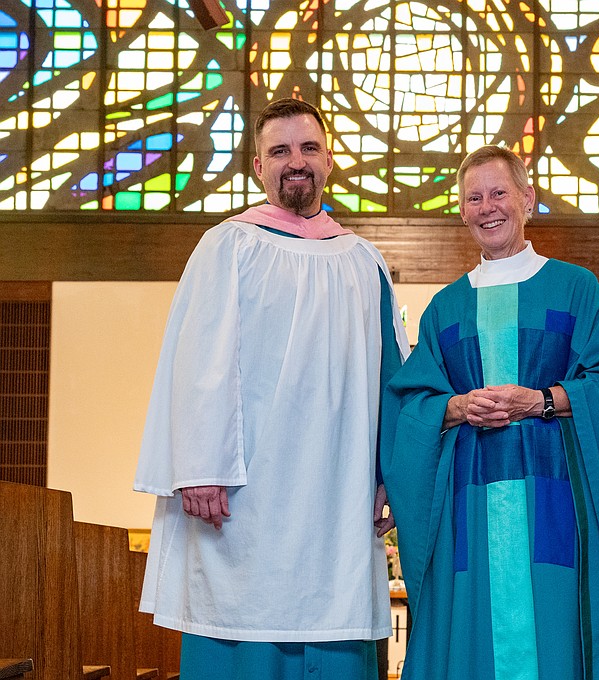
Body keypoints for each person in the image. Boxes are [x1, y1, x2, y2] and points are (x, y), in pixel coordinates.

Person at [134, 97, 409, 680]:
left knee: (333, 624)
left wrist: (390, 474)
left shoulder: (364, 263)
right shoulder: (228, 246)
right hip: (245, 498)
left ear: (329, 160)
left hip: (335, 496)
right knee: (239, 627)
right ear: (258, 167)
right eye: (279, 151)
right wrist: (199, 467)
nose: (296, 162)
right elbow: (197, 359)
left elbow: (391, 376)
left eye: (308, 148)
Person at [380, 145, 599, 680]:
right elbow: (410, 406)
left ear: (527, 199)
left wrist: (543, 400)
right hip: (469, 512)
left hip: (556, 507)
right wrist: (456, 407)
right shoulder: (445, 309)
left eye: (499, 193)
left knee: (553, 638)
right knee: (476, 643)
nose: (488, 207)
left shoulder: (576, 289)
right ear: (461, 211)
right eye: (474, 198)